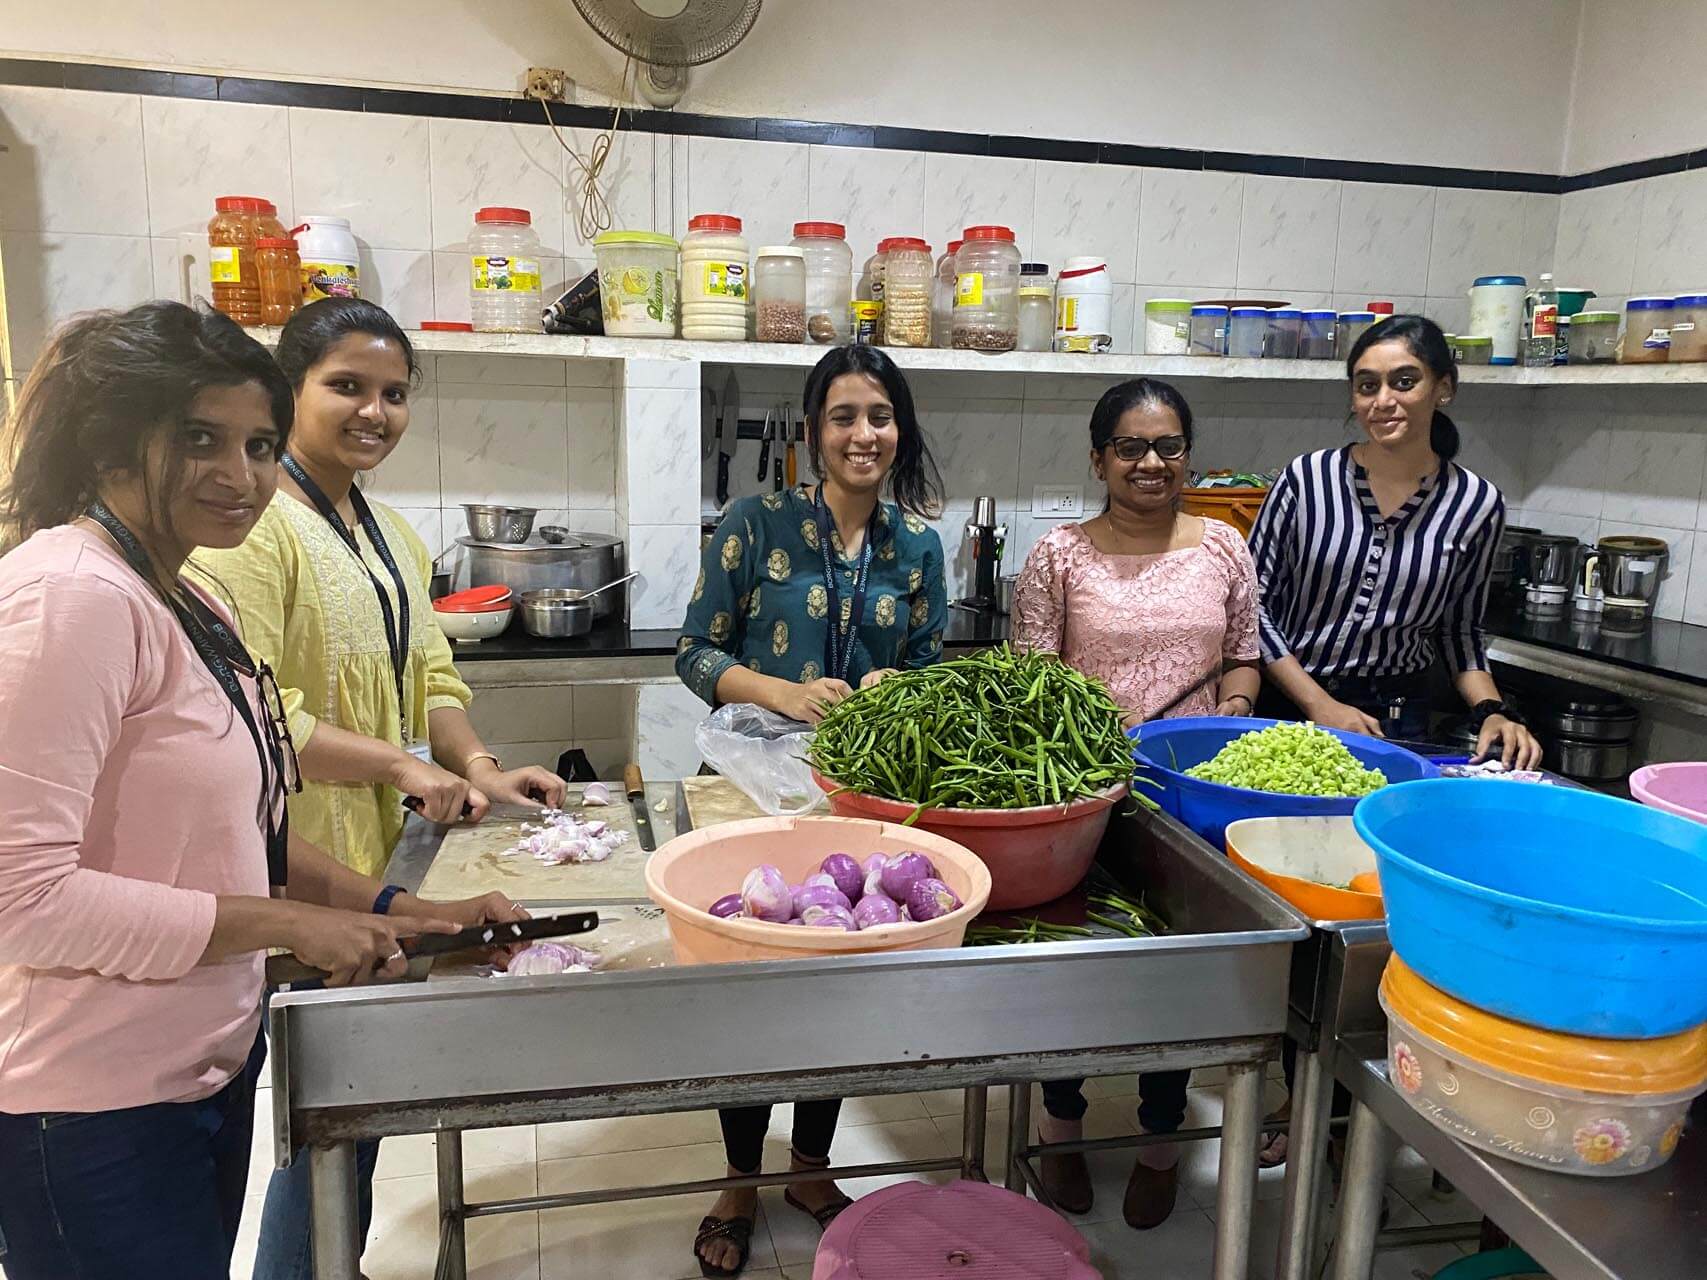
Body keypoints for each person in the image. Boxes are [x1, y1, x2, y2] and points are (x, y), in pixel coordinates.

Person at [0, 301, 522, 1279]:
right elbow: (20, 900)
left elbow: (247, 821)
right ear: (113, 440)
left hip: (198, 1063)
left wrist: (409, 910)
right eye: (200, 439)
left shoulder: (180, 592)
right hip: (87, 1100)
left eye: (256, 444)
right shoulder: (67, 597)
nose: (240, 477)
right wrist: (279, 921)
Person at [193, 297, 566, 1279]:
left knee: (361, 1100)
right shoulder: (256, 526)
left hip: (380, 860)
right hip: (299, 865)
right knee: (325, 1116)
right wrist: (403, 765)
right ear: (290, 389)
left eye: (394, 393)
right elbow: (258, 720)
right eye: (347, 386)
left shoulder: (391, 531)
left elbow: (432, 670)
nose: (374, 411)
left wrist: (478, 765)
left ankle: (331, 1263)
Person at [676, 344, 947, 1276]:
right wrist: (783, 694)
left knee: (843, 982)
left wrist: (892, 690)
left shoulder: (917, 545)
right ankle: (737, 1183)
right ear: (812, 432)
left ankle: (810, 1168)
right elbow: (694, 653)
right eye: (843, 416)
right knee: (750, 993)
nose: (862, 433)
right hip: (751, 793)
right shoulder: (754, 524)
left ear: (897, 430)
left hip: (858, 800)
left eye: (878, 415)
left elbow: (924, 667)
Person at [1247, 313, 1542, 1166]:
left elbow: (1457, 635)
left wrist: (1495, 708)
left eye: (1403, 381)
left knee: (1376, 909)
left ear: (1442, 388)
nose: (1383, 400)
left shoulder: (1475, 502)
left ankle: (1343, 1103)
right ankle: (1287, 1091)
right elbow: (1255, 609)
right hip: (1291, 718)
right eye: (1367, 384)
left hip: (1398, 727)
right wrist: (1318, 705)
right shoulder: (1305, 481)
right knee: (1298, 909)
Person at [1011, 377, 1261, 1228]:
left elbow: (1243, 654)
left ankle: (1160, 1140)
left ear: (1186, 454)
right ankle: (1061, 1124)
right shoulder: (1058, 556)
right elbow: (1029, 686)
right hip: (1079, 796)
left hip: (1189, 799)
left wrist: (1230, 709)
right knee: (1067, 964)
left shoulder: (1224, 546)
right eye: (1130, 447)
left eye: (1167, 446)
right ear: (1098, 458)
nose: (1151, 463)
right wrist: (1077, 758)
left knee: (1178, 974)